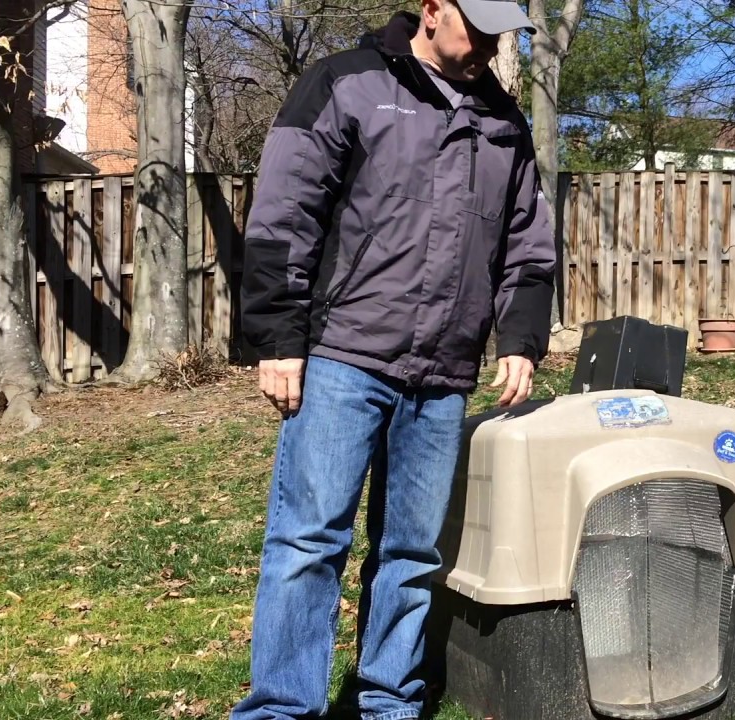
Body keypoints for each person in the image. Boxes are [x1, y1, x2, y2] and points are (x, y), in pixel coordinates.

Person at [230, 0, 555, 718]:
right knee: (309, 543)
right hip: (344, 356)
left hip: (442, 378)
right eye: (481, 28)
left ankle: (389, 702)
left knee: (411, 556)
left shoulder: (504, 123)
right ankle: (282, 708)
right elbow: (284, 212)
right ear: (434, 10)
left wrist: (522, 341)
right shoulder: (348, 83)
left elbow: (528, 245)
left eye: (504, 34)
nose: (492, 47)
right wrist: (279, 341)